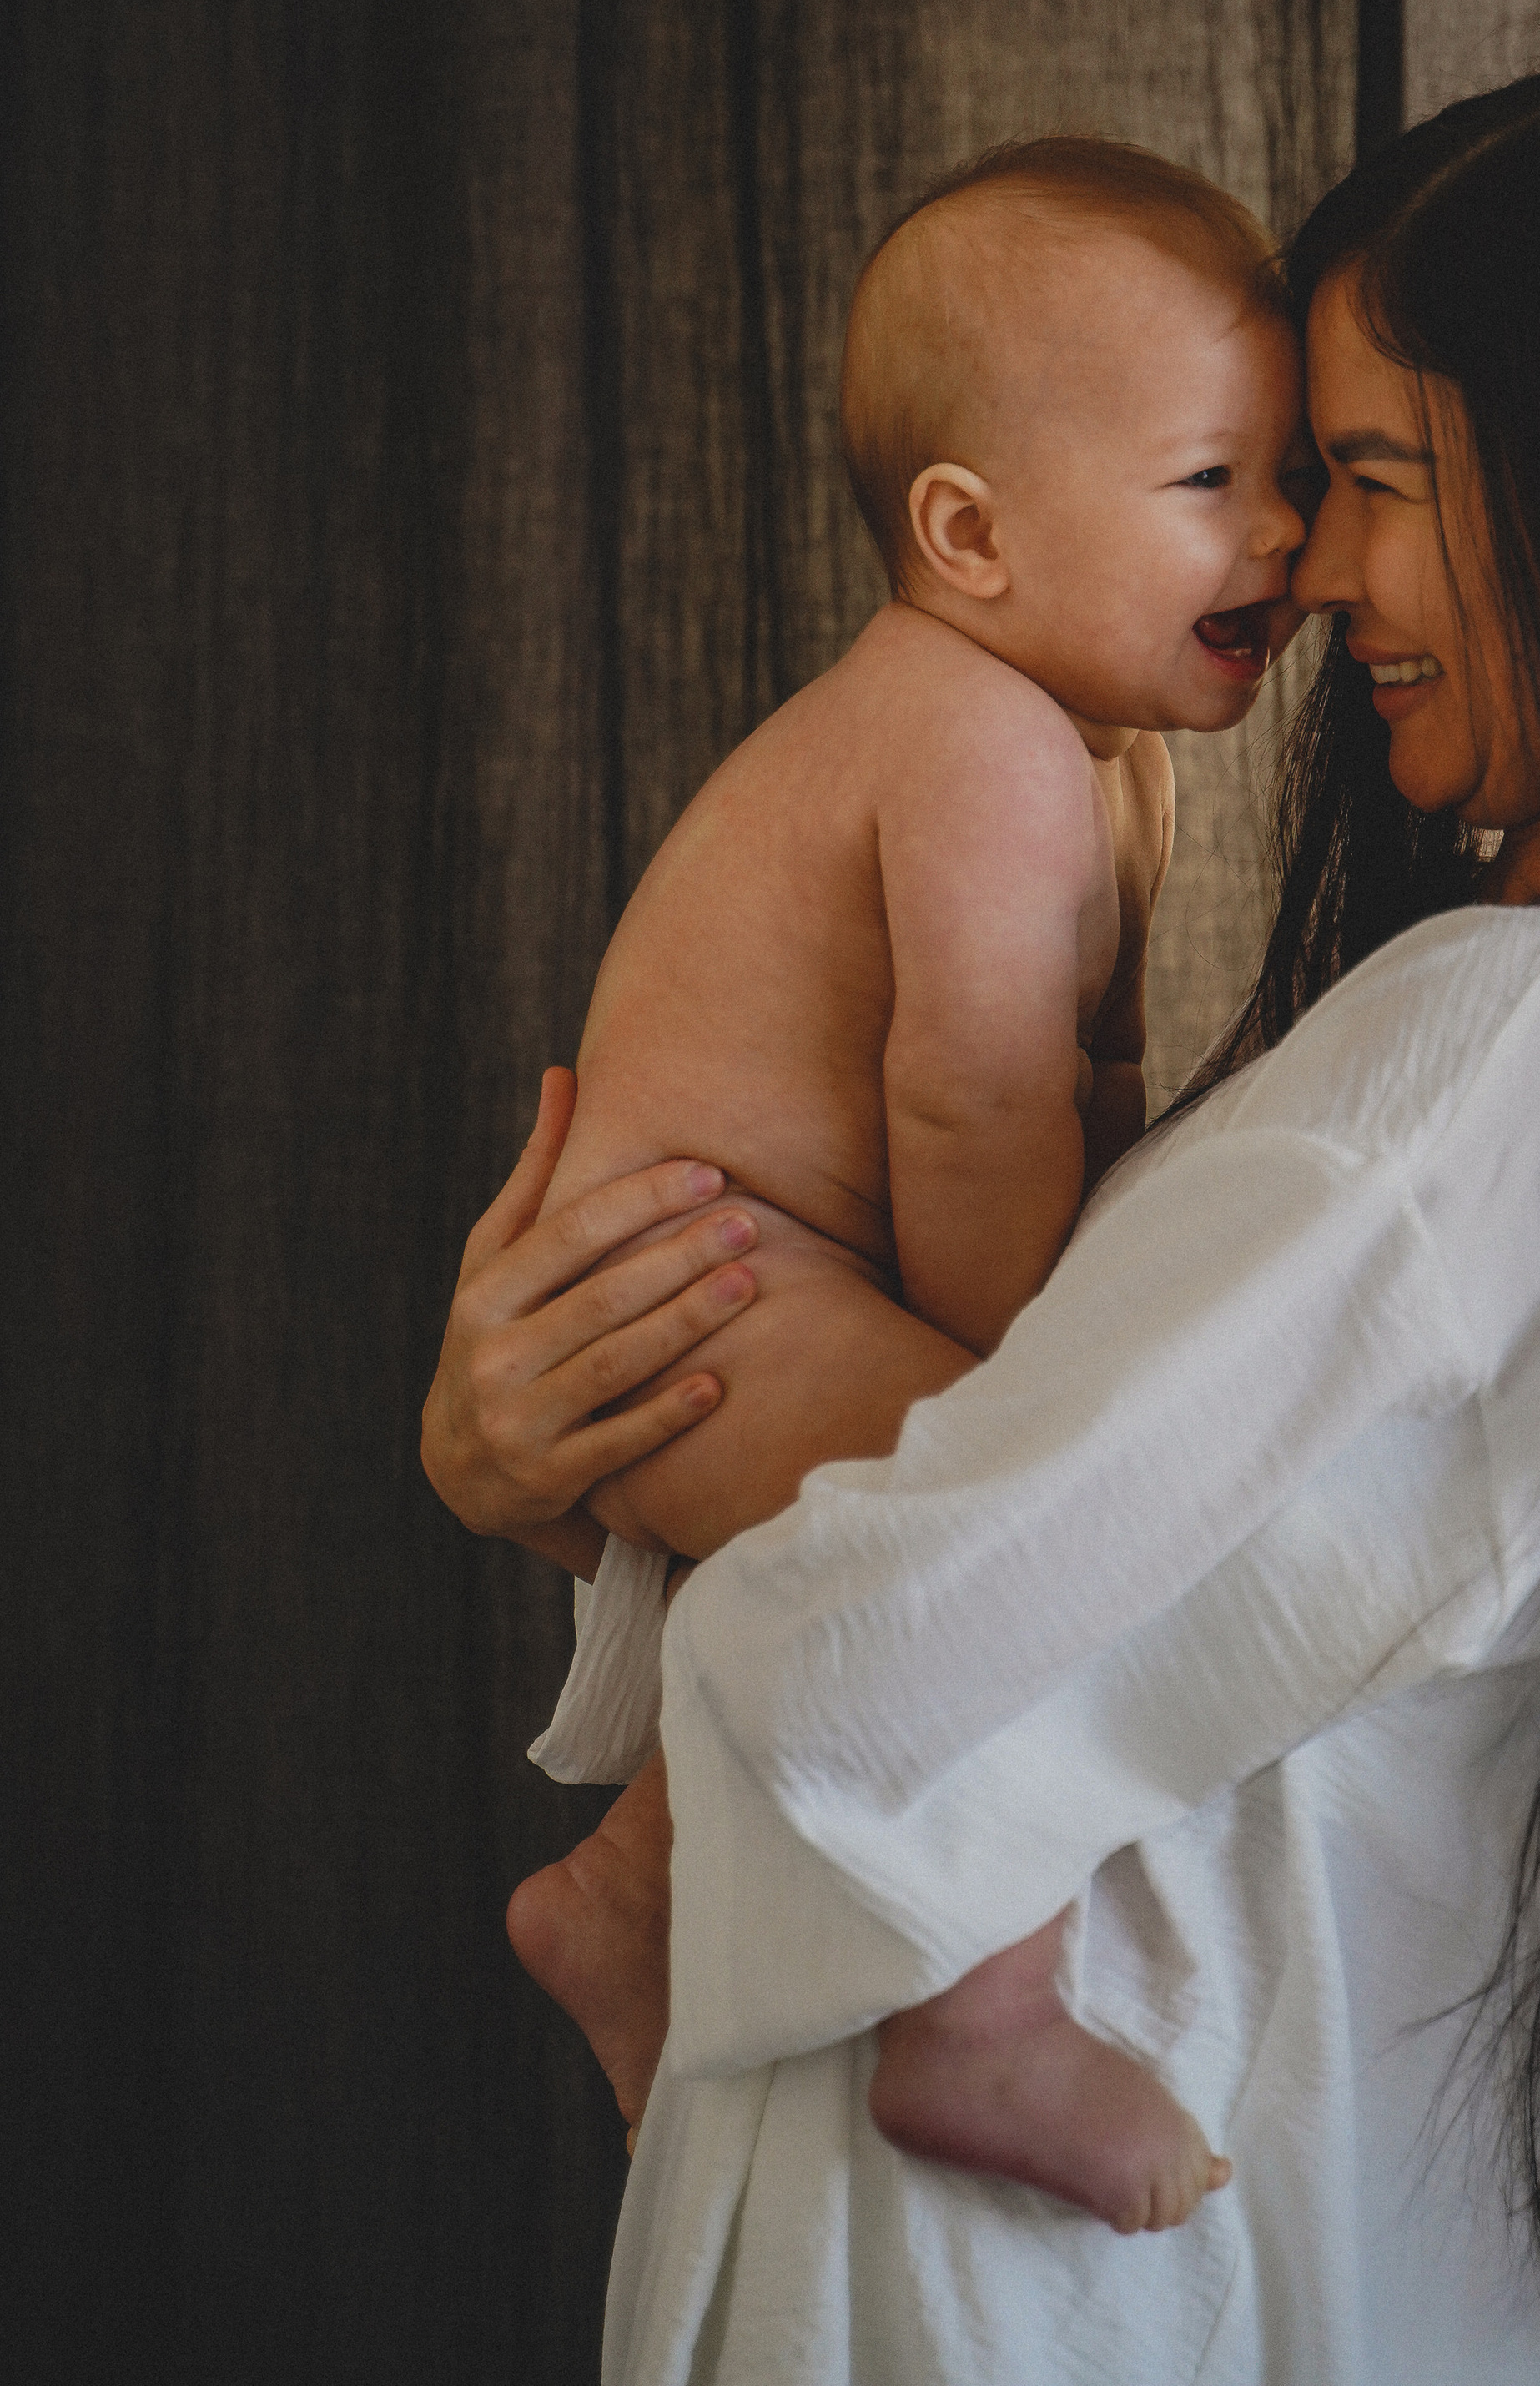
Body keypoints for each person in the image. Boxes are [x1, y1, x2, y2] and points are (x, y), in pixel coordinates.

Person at [425, 40, 1540, 2386]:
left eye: (1365, 482)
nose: (1310, 568)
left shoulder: (1494, 1071)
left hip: (1046, 2302)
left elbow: (878, 1652)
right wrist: (585, 1464)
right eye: (1274, 483)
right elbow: (1140, 1567)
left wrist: (595, 1493)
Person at [484, 135, 1306, 2220]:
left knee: (895, 1544)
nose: (1284, 533)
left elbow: (1084, 1087)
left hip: (763, 1276)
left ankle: (630, 1899)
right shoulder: (981, 746)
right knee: (1024, 1531)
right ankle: (979, 2014)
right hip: (704, 1278)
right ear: (967, 534)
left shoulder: (1102, 760)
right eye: (1210, 479)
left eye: (1293, 474)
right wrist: (1031, 1385)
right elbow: (968, 1113)